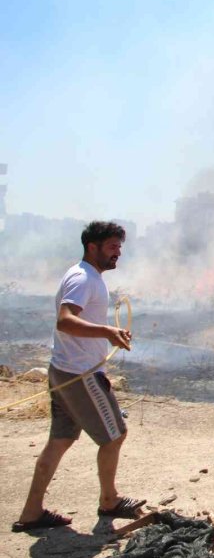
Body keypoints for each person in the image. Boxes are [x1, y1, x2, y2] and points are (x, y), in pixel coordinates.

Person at [13, 221, 144, 533]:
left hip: (65, 369)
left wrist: (107, 334)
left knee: (60, 440)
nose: (118, 252)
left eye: (119, 247)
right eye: (112, 246)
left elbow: (77, 322)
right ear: (92, 247)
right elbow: (66, 320)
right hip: (80, 373)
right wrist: (107, 331)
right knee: (115, 435)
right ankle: (109, 501)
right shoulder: (84, 278)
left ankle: (32, 512)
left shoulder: (85, 276)